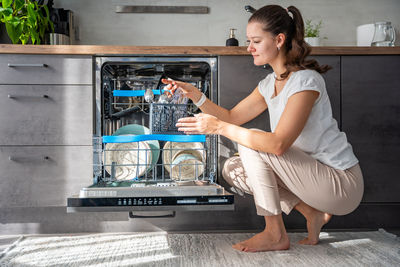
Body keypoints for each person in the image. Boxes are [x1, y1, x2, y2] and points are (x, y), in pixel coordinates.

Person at [162, 4, 363, 253]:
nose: (249, 48)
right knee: (233, 168)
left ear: (279, 40)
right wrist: (196, 96)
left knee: (254, 141)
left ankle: (275, 233)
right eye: (249, 41)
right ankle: (312, 212)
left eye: (256, 40)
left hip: (340, 183)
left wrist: (219, 127)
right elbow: (232, 116)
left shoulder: (306, 81)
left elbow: (278, 144)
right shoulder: (269, 83)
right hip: (308, 178)